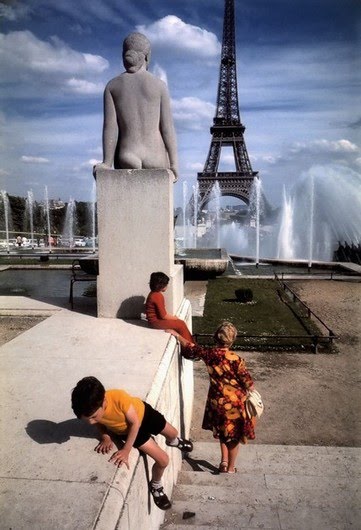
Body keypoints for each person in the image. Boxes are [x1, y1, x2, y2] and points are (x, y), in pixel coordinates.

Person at [71, 376, 192, 510]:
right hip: (128, 432)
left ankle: (174, 441)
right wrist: (106, 437)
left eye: (93, 417)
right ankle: (156, 485)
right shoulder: (92, 410)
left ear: (104, 402)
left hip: (143, 415)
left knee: (173, 433)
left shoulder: (118, 397)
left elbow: (135, 423)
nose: (91, 422)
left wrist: (126, 450)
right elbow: (100, 424)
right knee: (163, 460)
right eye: (86, 420)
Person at [168, 322, 256, 474]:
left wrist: (177, 336)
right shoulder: (237, 359)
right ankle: (230, 468)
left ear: (216, 337)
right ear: (232, 340)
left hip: (217, 402)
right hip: (235, 404)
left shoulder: (210, 354)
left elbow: (191, 347)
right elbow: (248, 383)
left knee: (222, 432)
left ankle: (223, 461)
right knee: (233, 438)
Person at [93, 32, 178, 182]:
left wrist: (107, 162)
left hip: (128, 154)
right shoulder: (159, 85)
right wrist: (174, 164)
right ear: (148, 55)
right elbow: (167, 128)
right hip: (155, 155)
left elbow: (110, 128)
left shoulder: (112, 86)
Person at [145, 271, 193, 343]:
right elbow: (163, 316)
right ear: (161, 286)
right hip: (155, 323)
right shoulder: (157, 296)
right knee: (181, 324)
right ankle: (190, 347)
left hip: (155, 321)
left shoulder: (153, 294)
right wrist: (176, 318)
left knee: (180, 323)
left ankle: (191, 344)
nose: (167, 286)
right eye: (166, 284)